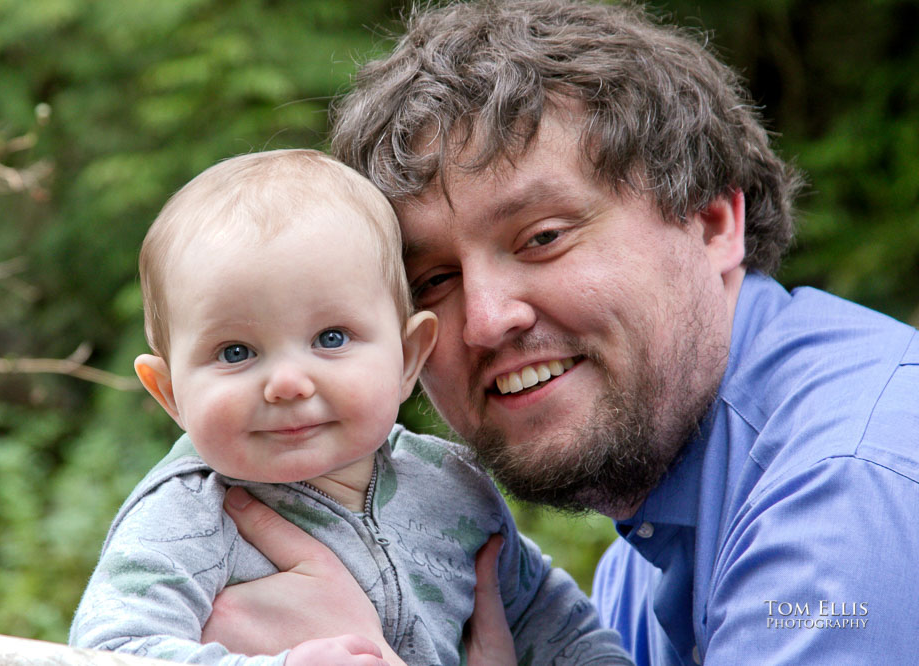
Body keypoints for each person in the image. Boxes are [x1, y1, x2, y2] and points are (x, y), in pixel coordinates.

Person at [200, 1, 919, 665]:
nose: (485, 320)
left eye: (542, 237)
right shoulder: (643, 552)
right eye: (433, 282)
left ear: (710, 221)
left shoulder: (843, 495)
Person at [68, 149, 632, 666]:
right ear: (169, 393)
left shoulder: (452, 488)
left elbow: (555, 626)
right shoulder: (186, 516)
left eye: (331, 338)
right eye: (235, 352)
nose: (287, 383)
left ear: (409, 357)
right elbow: (108, 653)